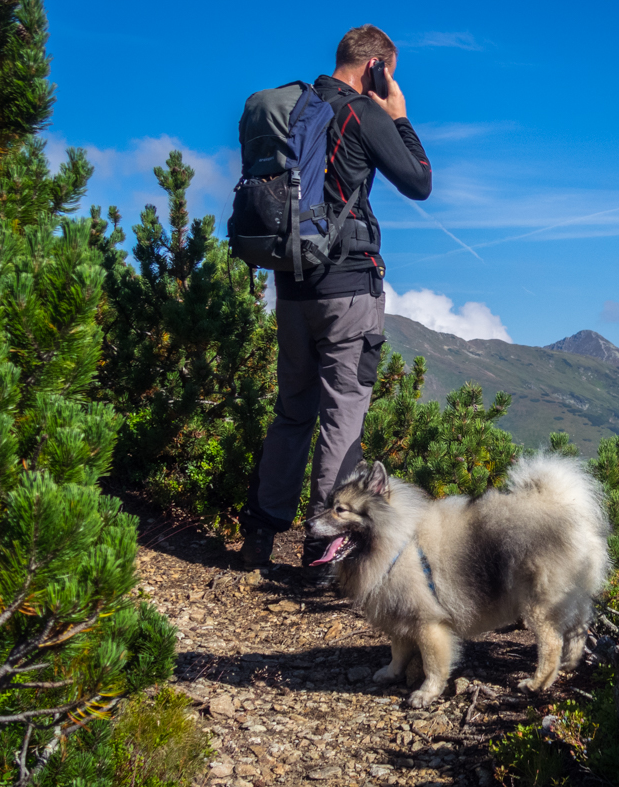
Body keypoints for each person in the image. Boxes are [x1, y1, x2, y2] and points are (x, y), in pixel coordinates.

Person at [238, 24, 431, 571]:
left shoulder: (295, 110)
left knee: (292, 413)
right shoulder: (361, 114)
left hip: (292, 286)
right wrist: (398, 114)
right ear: (377, 67)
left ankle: (259, 534)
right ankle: (323, 554)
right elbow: (418, 180)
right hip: (348, 289)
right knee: (342, 418)